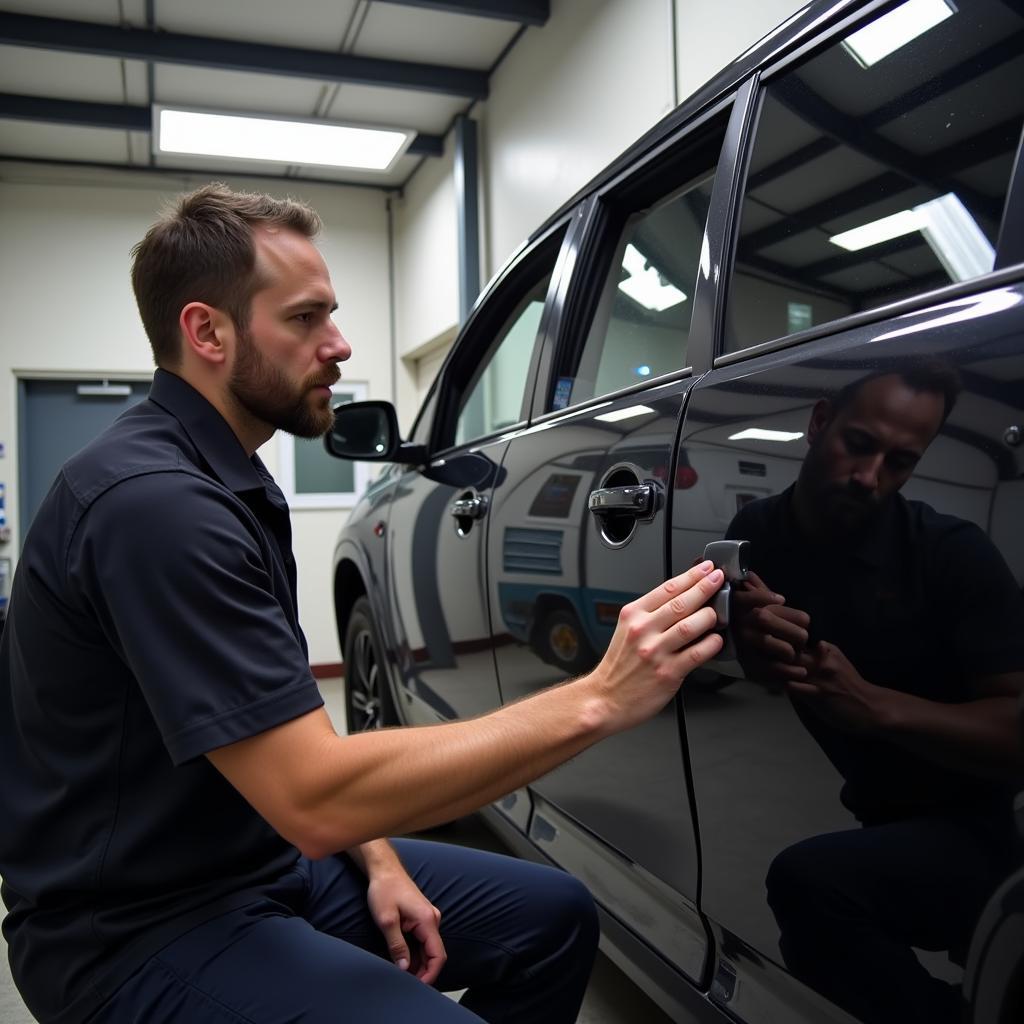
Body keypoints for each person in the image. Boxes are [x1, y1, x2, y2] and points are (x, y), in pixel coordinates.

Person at [0, 184, 727, 1024]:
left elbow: (289, 729)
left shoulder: (222, 478)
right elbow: (315, 797)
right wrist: (600, 697)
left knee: (553, 918)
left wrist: (380, 861)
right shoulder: (154, 505)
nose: (339, 346)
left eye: (331, 315)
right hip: (132, 930)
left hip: (253, 863)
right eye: (306, 320)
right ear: (206, 332)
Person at [726, 364, 1024, 1024]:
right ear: (818, 422)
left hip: (982, 828)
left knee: (809, 886)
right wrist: (752, 648)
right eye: (858, 444)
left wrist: (876, 706)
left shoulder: (952, 554)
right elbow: (757, 669)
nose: (870, 477)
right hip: (872, 807)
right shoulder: (759, 531)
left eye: (900, 462)